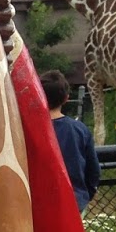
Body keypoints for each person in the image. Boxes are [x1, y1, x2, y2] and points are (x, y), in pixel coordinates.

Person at [41, 69, 100, 213]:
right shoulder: (80, 130)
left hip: (39, 203)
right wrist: (85, 195)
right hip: (74, 201)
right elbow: (93, 171)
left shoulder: (29, 129)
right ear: (66, 98)